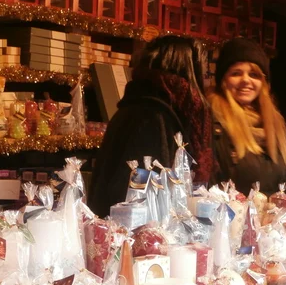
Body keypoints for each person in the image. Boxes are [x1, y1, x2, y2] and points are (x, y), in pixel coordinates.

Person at [88, 35, 212, 217]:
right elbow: (147, 200)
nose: (205, 80)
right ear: (189, 70)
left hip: (112, 230)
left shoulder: (137, 106)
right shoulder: (154, 115)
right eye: (204, 72)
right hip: (135, 237)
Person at [209, 37, 286, 218]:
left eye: (254, 74)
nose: (246, 80)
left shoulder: (277, 128)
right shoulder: (214, 127)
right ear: (223, 80)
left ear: (263, 83)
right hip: (232, 237)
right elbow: (209, 190)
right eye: (236, 73)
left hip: (275, 238)